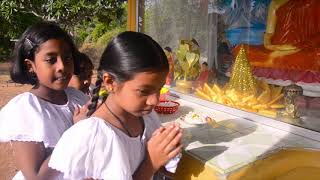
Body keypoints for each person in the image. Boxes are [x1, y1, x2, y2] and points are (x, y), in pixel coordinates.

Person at [48, 31, 182, 180]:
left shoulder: (147, 117)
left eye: (159, 88)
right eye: (144, 91)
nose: (154, 100)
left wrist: (166, 148)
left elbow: (164, 165)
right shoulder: (93, 138)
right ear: (110, 83)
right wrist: (151, 163)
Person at [0, 22, 89, 180]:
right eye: (51, 60)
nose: (62, 66)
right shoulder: (26, 110)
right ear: (30, 66)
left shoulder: (77, 98)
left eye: (67, 57)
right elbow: (36, 176)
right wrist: (77, 132)